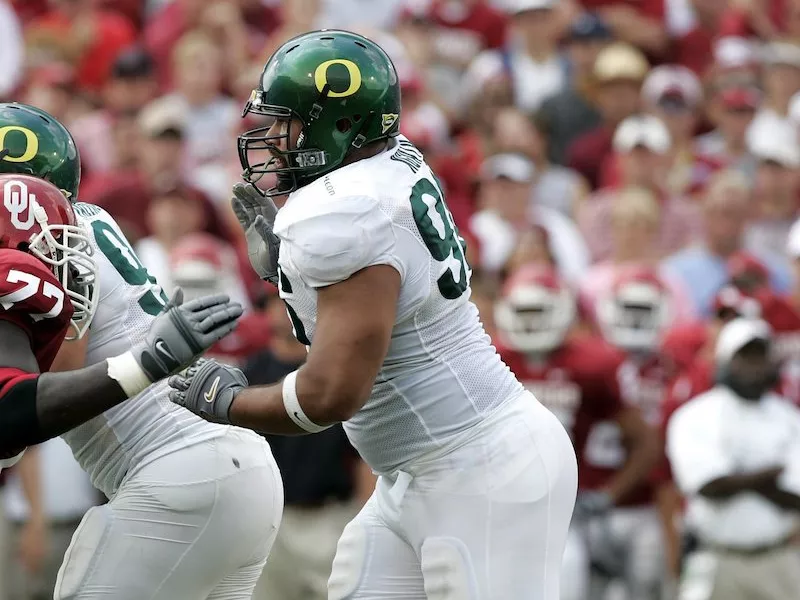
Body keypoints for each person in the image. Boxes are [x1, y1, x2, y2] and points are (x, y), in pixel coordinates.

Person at [170, 30, 578, 599]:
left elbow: (331, 393)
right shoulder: (385, 166)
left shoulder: (346, 212)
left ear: (335, 126)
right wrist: (290, 273)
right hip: (421, 469)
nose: (273, 139)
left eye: (286, 123)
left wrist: (229, 404)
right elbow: (356, 319)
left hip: (479, 467)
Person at [0, 103, 283, 600]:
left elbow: (46, 388)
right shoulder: (88, 221)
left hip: (174, 473)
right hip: (242, 465)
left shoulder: (36, 237)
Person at [0, 173, 240, 462]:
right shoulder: (84, 222)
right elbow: (11, 411)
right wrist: (147, 362)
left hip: (171, 450)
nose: (69, 276)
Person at [492, 264, 659, 600]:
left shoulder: (589, 365)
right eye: (523, 311)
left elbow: (645, 442)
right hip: (498, 512)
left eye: (538, 311)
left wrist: (607, 494)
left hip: (563, 517)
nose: (530, 321)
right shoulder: (489, 358)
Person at [667, 318, 800, 600]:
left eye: (759, 357)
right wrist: (768, 476)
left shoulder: (790, 419)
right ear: (725, 360)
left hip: (777, 555)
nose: (753, 367)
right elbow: (708, 486)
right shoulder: (695, 416)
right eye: (744, 357)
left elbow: (796, 496)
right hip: (716, 556)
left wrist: (735, 477)